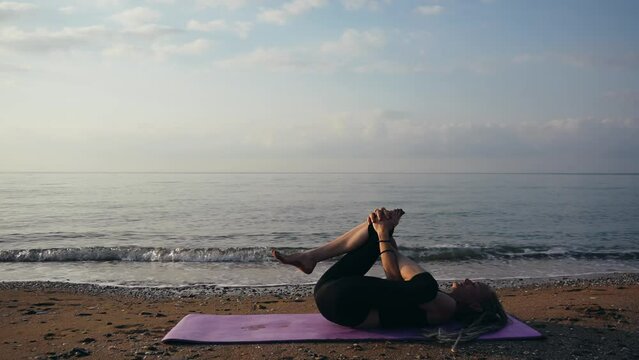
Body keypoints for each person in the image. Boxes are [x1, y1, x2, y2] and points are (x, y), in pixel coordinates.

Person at [272, 208, 508, 345]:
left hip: (344, 303)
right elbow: (394, 271)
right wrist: (384, 231)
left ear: (475, 306)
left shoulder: (446, 307)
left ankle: (380, 231)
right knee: (375, 232)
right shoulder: (440, 303)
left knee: (425, 285)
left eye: (475, 285)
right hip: (332, 293)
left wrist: (387, 235)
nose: (468, 280)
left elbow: (394, 278)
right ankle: (311, 257)